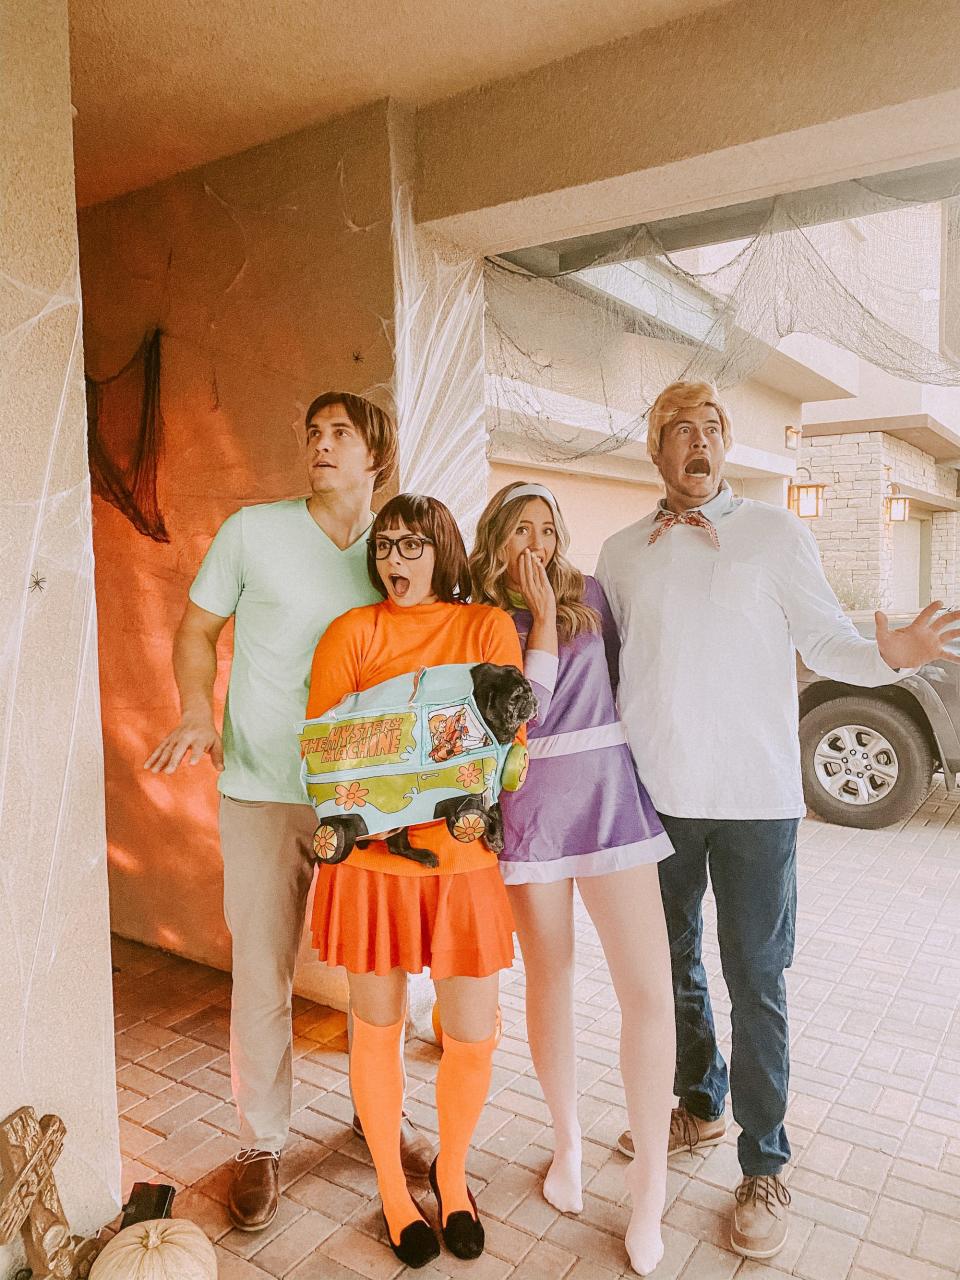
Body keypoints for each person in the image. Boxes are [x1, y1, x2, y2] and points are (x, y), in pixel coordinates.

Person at [596, 380, 960, 1262]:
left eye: (711, 429)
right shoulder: (619, 553)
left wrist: (890, 657)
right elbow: (602, 670)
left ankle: (765, 1161)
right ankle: (699, 1102)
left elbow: (829, 640)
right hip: (659, 800)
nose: (697, 443)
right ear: (654, 451)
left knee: (756, 977)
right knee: (672, 962)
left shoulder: (777, 534)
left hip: (757, 801)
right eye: (678, 430)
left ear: (727, 448)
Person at [144, 392, 433, 1232]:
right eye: (313, 432)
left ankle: (380, 1115)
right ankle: (262, 1141)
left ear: (377, 454)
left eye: (341, 433)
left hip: (365, 801)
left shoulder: (393, 549)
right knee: (262, 973)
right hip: (263, 790)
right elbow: (194, 632)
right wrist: (198, 711)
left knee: (379, 974)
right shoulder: (253, 532)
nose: (321, 444)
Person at [305, 493, 525, 1269]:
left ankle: (453, 1175)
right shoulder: (351, 632)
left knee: (472, 1032)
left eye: (411, 546)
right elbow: (332, 760)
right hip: (372, 866)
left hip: (463, 863)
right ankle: (394, 1194)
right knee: (378, 1027)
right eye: (385, 547)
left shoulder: (484, 627)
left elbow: (502, 740)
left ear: (442, 549)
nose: (395, 561)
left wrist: (402, 753)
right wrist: (420, 754)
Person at [469, 482, 676, 1276]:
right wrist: (540, 617)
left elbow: (628, 686)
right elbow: (525, 708)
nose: (539, 542)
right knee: (549, 978)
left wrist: (557, 609)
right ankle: (567, 1145)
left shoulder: (589, 594)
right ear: (496, 537)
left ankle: (649, 1188)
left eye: (549, 528)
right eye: (522, 527)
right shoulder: (485, 617)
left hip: (610, 800)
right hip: (530, 812)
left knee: (647, 993)